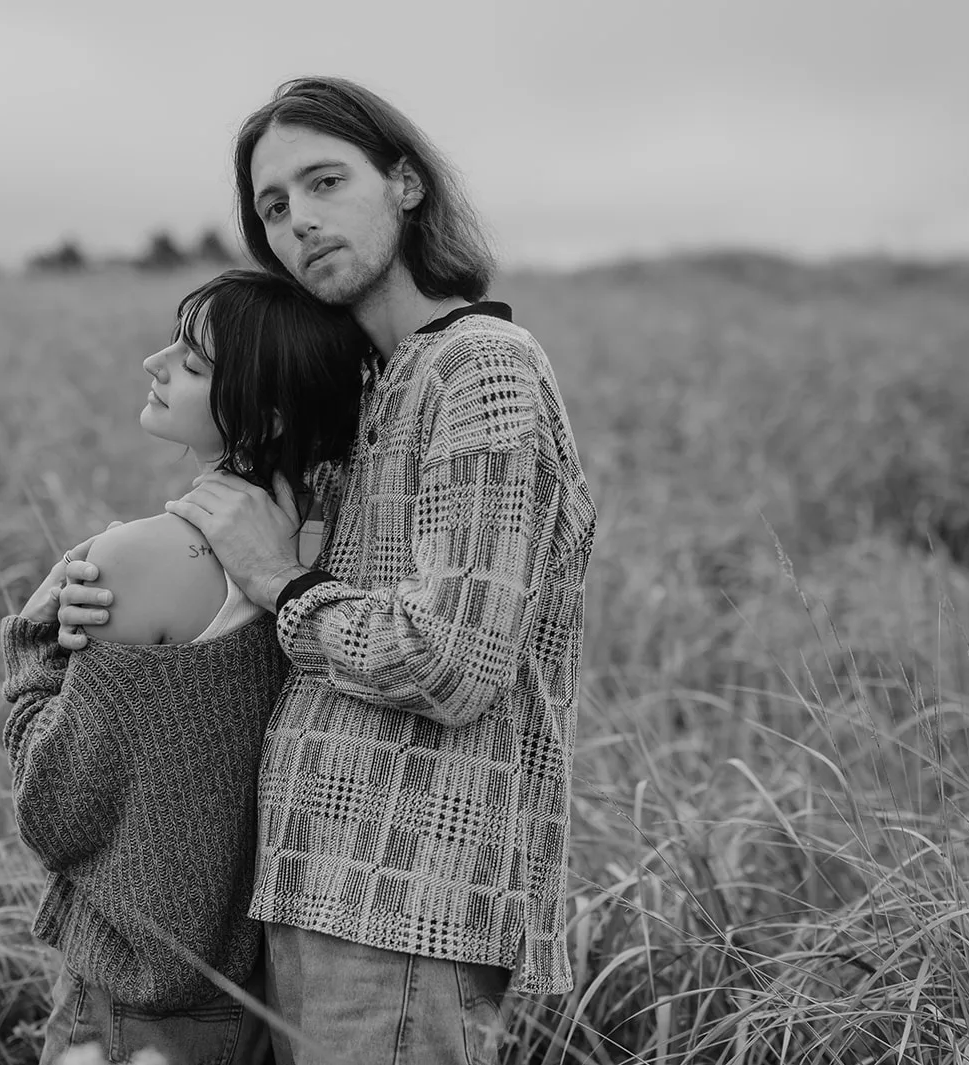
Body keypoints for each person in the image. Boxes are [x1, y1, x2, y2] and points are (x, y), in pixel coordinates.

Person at [56, 76, 597, 1065]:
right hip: (307, 889)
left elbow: (452, 663)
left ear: (404, 184)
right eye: (273, 206)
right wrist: (75, 591)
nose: (298, 221)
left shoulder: (484, 366)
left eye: (323, 181)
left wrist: (284, 586)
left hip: (409, 900)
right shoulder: (381, 383)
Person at [2, 268, 366, 1065]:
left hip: (140, 1009)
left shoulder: (140, 559)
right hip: (269, 995)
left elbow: (57, 808)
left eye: (193, 364)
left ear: (263, 414)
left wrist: (32, 644)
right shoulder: (326, 546)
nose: (153, 363)